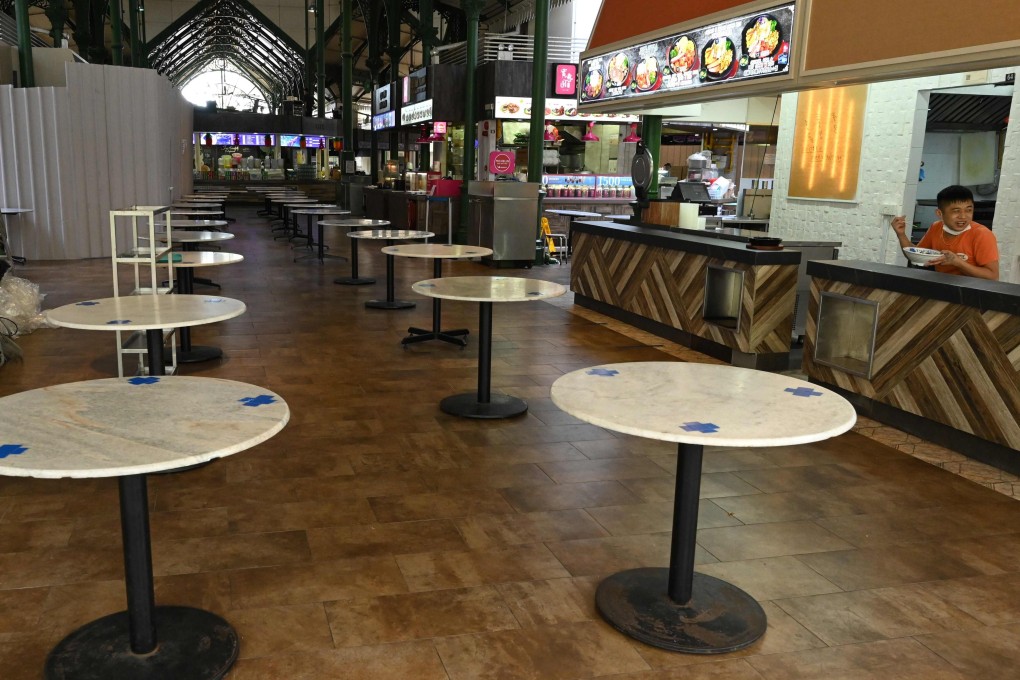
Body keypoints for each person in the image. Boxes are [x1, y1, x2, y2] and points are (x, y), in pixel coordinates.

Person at [890, 185, 999, 280]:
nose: (963, 216)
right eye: (956, 211)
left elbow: (993, 276)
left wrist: (958, 262)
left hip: (973, 294)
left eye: (968, 210)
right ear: (939, 213)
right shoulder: (936, 227)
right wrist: (901, 234)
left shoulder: (982, 234)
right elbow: (915, 256)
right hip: (943, 289)